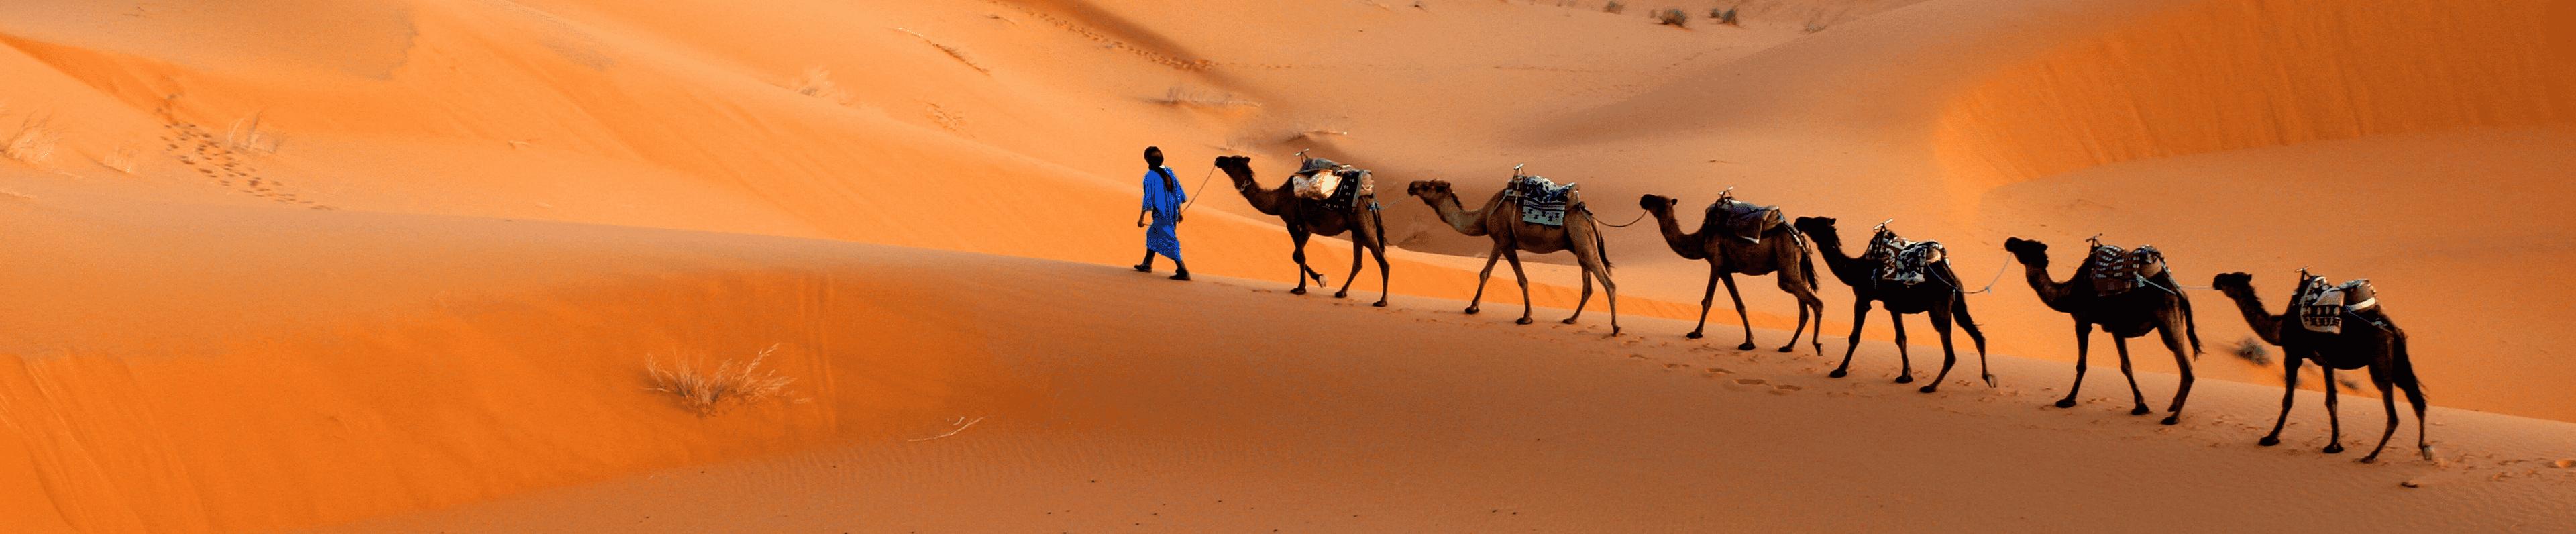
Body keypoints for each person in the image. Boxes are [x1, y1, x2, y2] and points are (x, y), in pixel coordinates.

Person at [1134, 146, 1190, 280]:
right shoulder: (1168, 171)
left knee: (1169, 240)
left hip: (1162, 214)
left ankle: (1183, 270)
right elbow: (1177, 193)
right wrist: (1179, 212)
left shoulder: (1151, 176)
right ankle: (1147, 264)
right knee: (1152, 235)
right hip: (1170, 213)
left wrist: (1142, 218)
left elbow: (1148, 198)